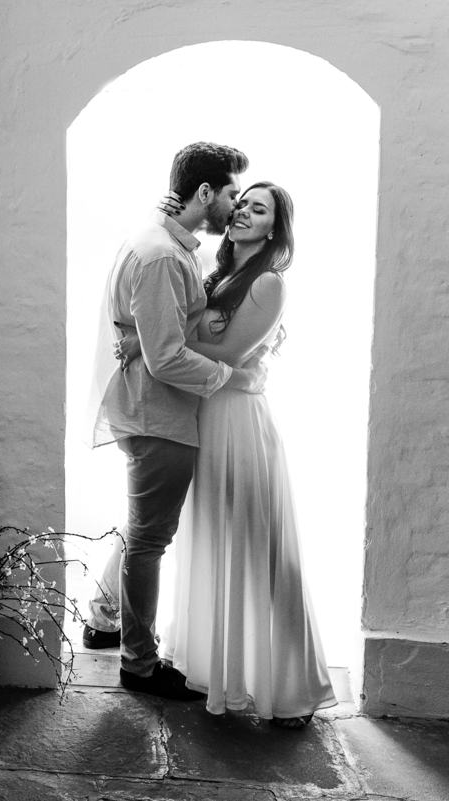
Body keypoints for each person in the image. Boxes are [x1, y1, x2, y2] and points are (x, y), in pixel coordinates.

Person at [116, 181, 337, 728]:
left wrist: (149, 344)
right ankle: (214, 665)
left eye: (257, 208)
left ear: (273, 228)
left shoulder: (267, 284)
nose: (243, 213)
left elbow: (226, 354)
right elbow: (186, 331)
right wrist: (157, 335)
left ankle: (292, 686)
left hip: (237, 426)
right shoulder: (211, 273)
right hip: (200, 420)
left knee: (261, 548)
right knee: (204, 542)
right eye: (241, 205)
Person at [84, 142, 267, 701]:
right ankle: (139, 664)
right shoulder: (163, 254)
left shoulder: (167, 242)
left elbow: (154, 333)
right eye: (233, 194)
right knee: (150, 539)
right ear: (205, 193)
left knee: (144, 526)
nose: (236, 207)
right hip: (159, 414)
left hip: (153, 408)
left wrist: (140, 341)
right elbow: (166, 357)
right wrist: (230, 378)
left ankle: (104, 618)